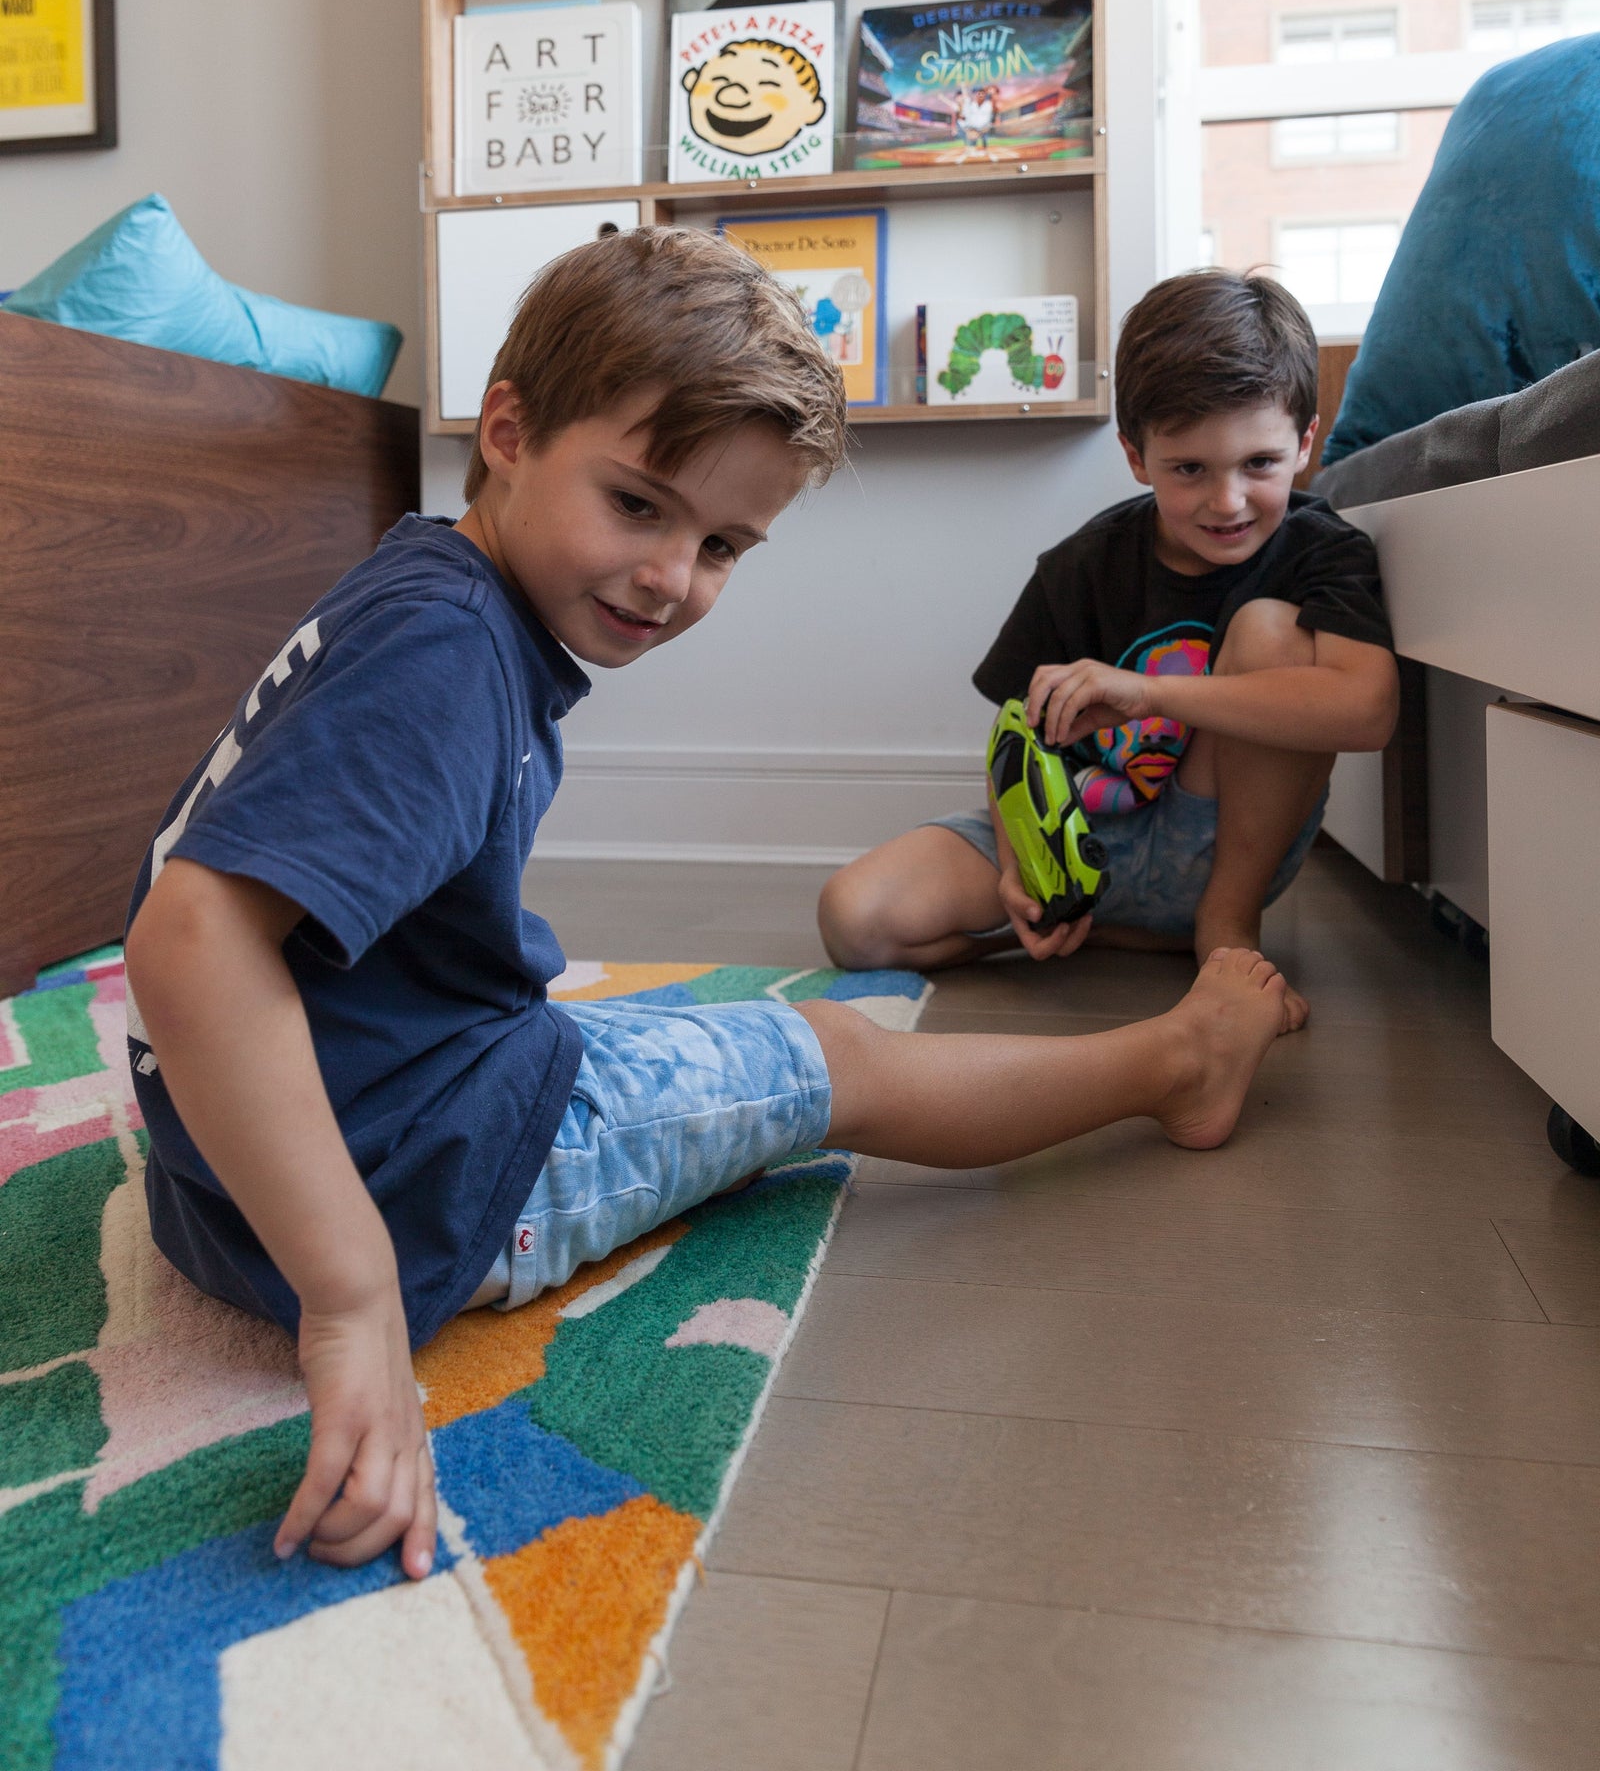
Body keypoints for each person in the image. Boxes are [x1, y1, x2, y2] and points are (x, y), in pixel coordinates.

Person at [124, 232, 1312, 1590]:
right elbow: (193, 938)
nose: (670, 578)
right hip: (424, 1192)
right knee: (841, 1058)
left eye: (724, 545)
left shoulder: (422, 586)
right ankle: (1176, 1062)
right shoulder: (447, 658)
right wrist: (350, 1307)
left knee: (656, 1026)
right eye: (639, 506)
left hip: (218, 1194)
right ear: (506, 427)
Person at [819, 268, 1398, 986]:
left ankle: (1224, 926)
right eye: (1189, 468)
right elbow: (1016, 737)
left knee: (1270, 634)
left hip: (1222, 845)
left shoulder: (1323, 549)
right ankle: (1105, 930)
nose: (1228, 500)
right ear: (1135, 456)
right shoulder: (1082, 565)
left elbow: (1367, 710)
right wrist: (1019, 871)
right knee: (855, 918)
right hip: (1087, 838)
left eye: (1260, 463)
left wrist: (1150, 694)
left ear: (1306, 442)